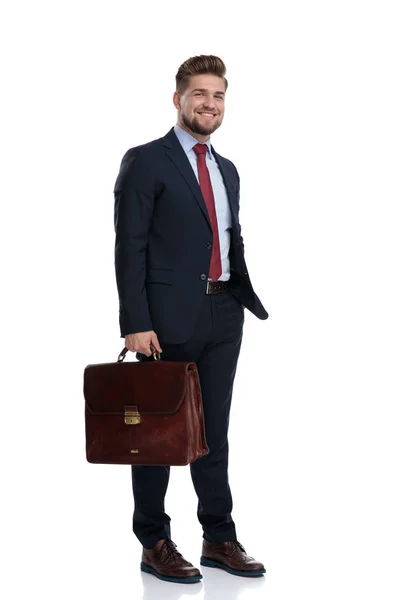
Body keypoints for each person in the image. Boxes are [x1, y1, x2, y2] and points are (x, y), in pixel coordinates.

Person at [113, 55, 268, 584]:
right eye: (199, 93)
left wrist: (241, 297)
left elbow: (227, 238)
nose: (210, 104)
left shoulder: (228, 169)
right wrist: (136, 320)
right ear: (177, 99)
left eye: (219, 95)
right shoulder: (146, 162)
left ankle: (219, 537)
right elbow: (129, 247)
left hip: (224, 313)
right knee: (156, 434)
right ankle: (154, 541)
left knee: (213, 432)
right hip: (164, 319)